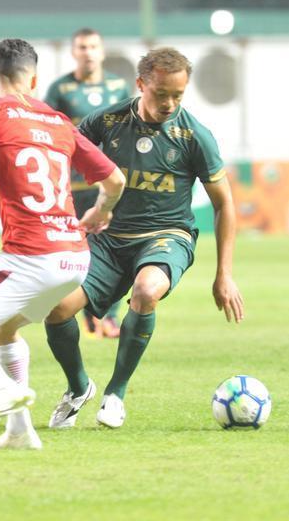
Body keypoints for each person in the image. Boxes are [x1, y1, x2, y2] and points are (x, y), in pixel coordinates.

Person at [0, 38, 124, 451]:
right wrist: (102, 209)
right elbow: (115, 179)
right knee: (5, 329)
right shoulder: (58, 120)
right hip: (74, 259)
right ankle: (19, 432)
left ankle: (2, 390)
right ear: (34, 79)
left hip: (32, 256)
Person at [43, 47, 245, 430]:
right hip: (109, 239)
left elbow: (225, 204)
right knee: (56, 309)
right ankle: (78, 387)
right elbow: (62, 156)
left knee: (147, 290)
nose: (170, 104)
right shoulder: (108, 120)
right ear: (141, 84)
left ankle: (115, 394)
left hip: (167, 236)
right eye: (162, 94)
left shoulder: (195, 136)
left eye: (178, 95)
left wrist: (225, 274)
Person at [43, 27, 130, 339]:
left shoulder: (119, 87)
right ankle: (86, 311)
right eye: (82, 47)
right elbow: (46, 130)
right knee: (79, 249)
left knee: (116, 247)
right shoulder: (61, 89)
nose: (88, 52)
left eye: (93, 46)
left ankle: (111, 316)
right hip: (73, 184)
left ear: (102, 51)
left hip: (109, 182)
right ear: (73, 51)